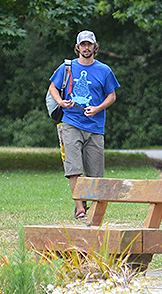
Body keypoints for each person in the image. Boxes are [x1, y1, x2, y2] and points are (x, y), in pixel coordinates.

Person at [47, 30, 120, 220]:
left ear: (95, 47)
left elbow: (112, 96)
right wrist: (61, 102)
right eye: (83, 45)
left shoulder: (104, 70)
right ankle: (79, 208)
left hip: (95, 126)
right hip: (70, 122)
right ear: (77, 47)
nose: (86, 48)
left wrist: (97, 108)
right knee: (74, 167)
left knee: (95, 172)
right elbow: (52, 88)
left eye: (90, 44)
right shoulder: (67, 67)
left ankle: (94, 209)